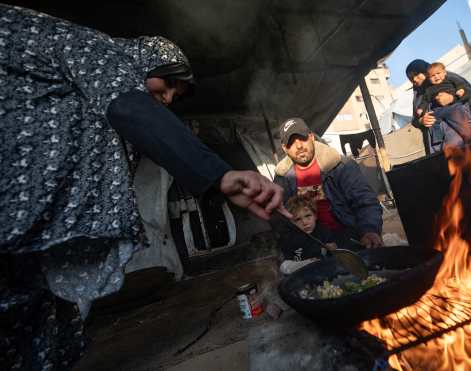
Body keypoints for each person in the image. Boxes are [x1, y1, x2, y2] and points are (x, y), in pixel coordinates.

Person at [0, 5, 288, 370]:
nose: (168, 99)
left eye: (175, 96)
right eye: (167, 85)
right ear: (143, 63)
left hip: (23, 250)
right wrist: (219, 175)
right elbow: (128, 106)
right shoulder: (101, 52)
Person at [273, 118, 383, 250]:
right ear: (285, 148)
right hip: (309, 242)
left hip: (348, 237)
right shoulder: (282, 177)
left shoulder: (341, 165)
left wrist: (369, 230)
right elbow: (280, 219)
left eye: (302, 139)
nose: (299, 146)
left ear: (311, 137)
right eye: (291, 143)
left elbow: (365, 200)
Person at [406, 59, 471, 156]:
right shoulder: (418, 94)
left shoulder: (448, 78)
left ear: (426, 71)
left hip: (463, 138)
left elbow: (469, 92)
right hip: (440, 146)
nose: (414, 80)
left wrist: (452, 98)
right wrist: (421, 121)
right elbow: (414, 120)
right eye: (411, 78)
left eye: (416, 75)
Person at [416, 62, 471, 149]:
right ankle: (437, 138)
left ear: (444, 72)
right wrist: (421, 113)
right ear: (429, 77)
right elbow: (425, 101)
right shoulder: (427, 89)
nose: (436, 77)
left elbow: (466, 88)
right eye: (432, 76)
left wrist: (456, 95)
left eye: (416, 75)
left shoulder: (451, 79)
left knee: (460, 119)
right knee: (433, 120)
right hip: (439, 110)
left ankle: (469, 135)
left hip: (453, 107)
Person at [278, 195, 337, 274]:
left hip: (323, 272)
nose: (305, 222)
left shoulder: (323, 231)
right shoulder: (288, 238)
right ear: (291, 222)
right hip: (300, 276)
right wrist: (308, 263)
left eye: (308, 216)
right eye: (298, 219)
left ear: (315, 215)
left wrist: (333, 249)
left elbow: (334, 254)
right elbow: (284, 267)